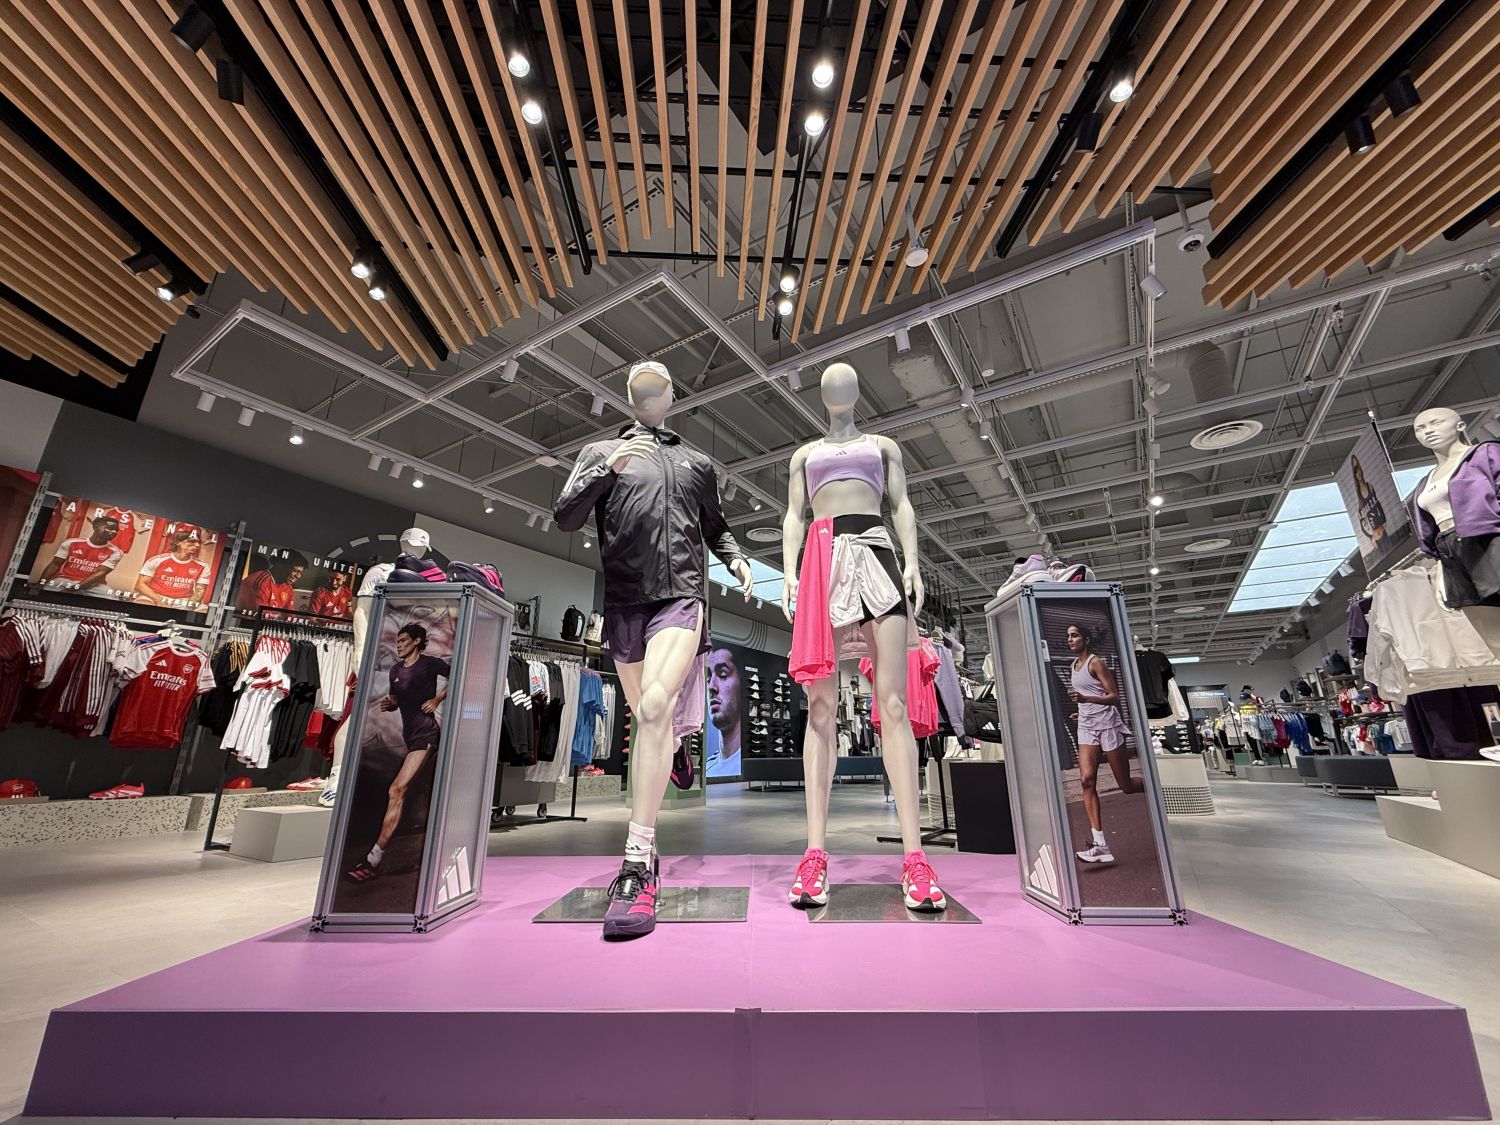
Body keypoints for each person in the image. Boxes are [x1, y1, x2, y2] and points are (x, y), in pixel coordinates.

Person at [554, 360, 753, 940]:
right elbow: (565, 516)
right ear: (630, 396)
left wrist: (736, 557)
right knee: (650, 716)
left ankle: (637, 863)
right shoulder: (600, 451)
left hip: (682, 597)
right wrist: (605, 471)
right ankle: (677, 745)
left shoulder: (697, 463)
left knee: (655, 707)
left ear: (670, 395)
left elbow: (715, 526)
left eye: (659, 383)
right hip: (624, 601)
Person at [781, 362, 945, 912]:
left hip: (876, 550)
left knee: (893, 703)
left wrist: (913, 562)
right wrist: (789, 572)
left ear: (855, 393)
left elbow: (902, 505)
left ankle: (915, 857)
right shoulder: (805, 455)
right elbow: (793, 516)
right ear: (824, 395)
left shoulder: (883, 446)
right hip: (821, 556)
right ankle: (814, 853)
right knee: (820, 708)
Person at [346, 622, 449, 882]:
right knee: (412, 792)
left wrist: (438, 699)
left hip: (426, 734)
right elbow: (396, 700)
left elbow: (460, 675)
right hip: (409, 735)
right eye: (398, 641)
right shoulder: (396, 670)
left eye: (403, 640)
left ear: (417, 641)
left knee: (397, 790)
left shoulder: (429, 664)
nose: (399, 645)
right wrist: (389, 704)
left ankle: (374, 858)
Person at [1065, 623, 1142, 865]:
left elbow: (1114, 696)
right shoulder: (1073, 665)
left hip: (1108, 725)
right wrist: (1081, 712)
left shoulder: (1096, 663)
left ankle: (1157, 790)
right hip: (1087, 727)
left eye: (1075, 635)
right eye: (1068, 636)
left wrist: (1086, 699)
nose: (1070, 639)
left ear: (1086, 639)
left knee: (1126, 785)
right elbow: (1085, 701)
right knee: (1086, 781)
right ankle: (1100, 845)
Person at [40, 513, 122, 592]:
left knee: (110, 596)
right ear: (95, 527)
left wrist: (71, 590)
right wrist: (40, 584)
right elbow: (55, 564)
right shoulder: (71, 543)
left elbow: (100, 572)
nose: (114, 532)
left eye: (116, 530)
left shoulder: (116, 552)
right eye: (109, 528)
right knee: (46, 592)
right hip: (65, 579)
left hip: (94, 585)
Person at [135, 528, 208, 606]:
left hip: (182, 600)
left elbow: (199, 592)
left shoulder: (203, 566)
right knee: (143, 602)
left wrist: (188, 607)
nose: (197, 545)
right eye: (192, 541)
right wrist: (159, 601)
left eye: (198, 542)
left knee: (203, 609)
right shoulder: (157, 560)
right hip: (155, 596)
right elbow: (140, 585)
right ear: (178, 542)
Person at [705, 646, 743, 777]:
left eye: (722, 675)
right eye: (708, 678)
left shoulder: (751, 767)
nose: (711, 687)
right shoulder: (708, 768)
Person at [236, 550, 307, 612]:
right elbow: (257, 617)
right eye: (295, 571)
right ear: (280, 565)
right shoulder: (261, 583)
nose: (298, 576)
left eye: (300, 572)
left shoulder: (288, 588)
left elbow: (290, 615)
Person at [1352, 456, 1387, 547]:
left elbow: (1378, 505)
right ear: (1355, 475)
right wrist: (1371, 537)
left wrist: (1383, 520)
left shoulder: (1369, 486)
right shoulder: (1359, 496)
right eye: (1356, 472)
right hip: (1375, 535)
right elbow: (1361, 521)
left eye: (1359, 470)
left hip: (1382, 529)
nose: (1358, 473)